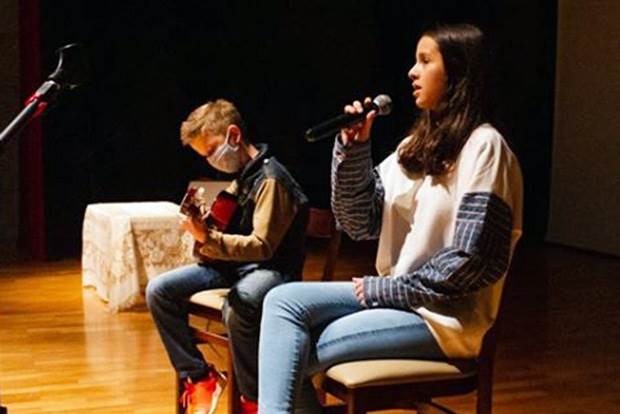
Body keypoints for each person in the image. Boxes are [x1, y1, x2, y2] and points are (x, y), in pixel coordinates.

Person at [257, 23, 523, 413]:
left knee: (290, 349)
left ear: (458, 73)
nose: (412, 72)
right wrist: (355, 148)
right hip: (397, 301)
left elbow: (473, 260)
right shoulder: (416, 147)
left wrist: (386, 291)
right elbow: (357, 221)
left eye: (425, 61)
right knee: (282, 302)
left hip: (444, 320)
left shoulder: (485, 147)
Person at [146, 99, 308, 414]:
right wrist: (204, 224)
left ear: (234, 135)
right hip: (237, 266)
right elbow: (225, 226)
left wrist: (207, 237)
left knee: (238, 306)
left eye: (211, 151)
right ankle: (199, 377)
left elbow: (262, 246)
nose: (210, 161)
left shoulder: (272, 178)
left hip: (273, 270)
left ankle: (253, 400)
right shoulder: (242, 177)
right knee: (159, 291)